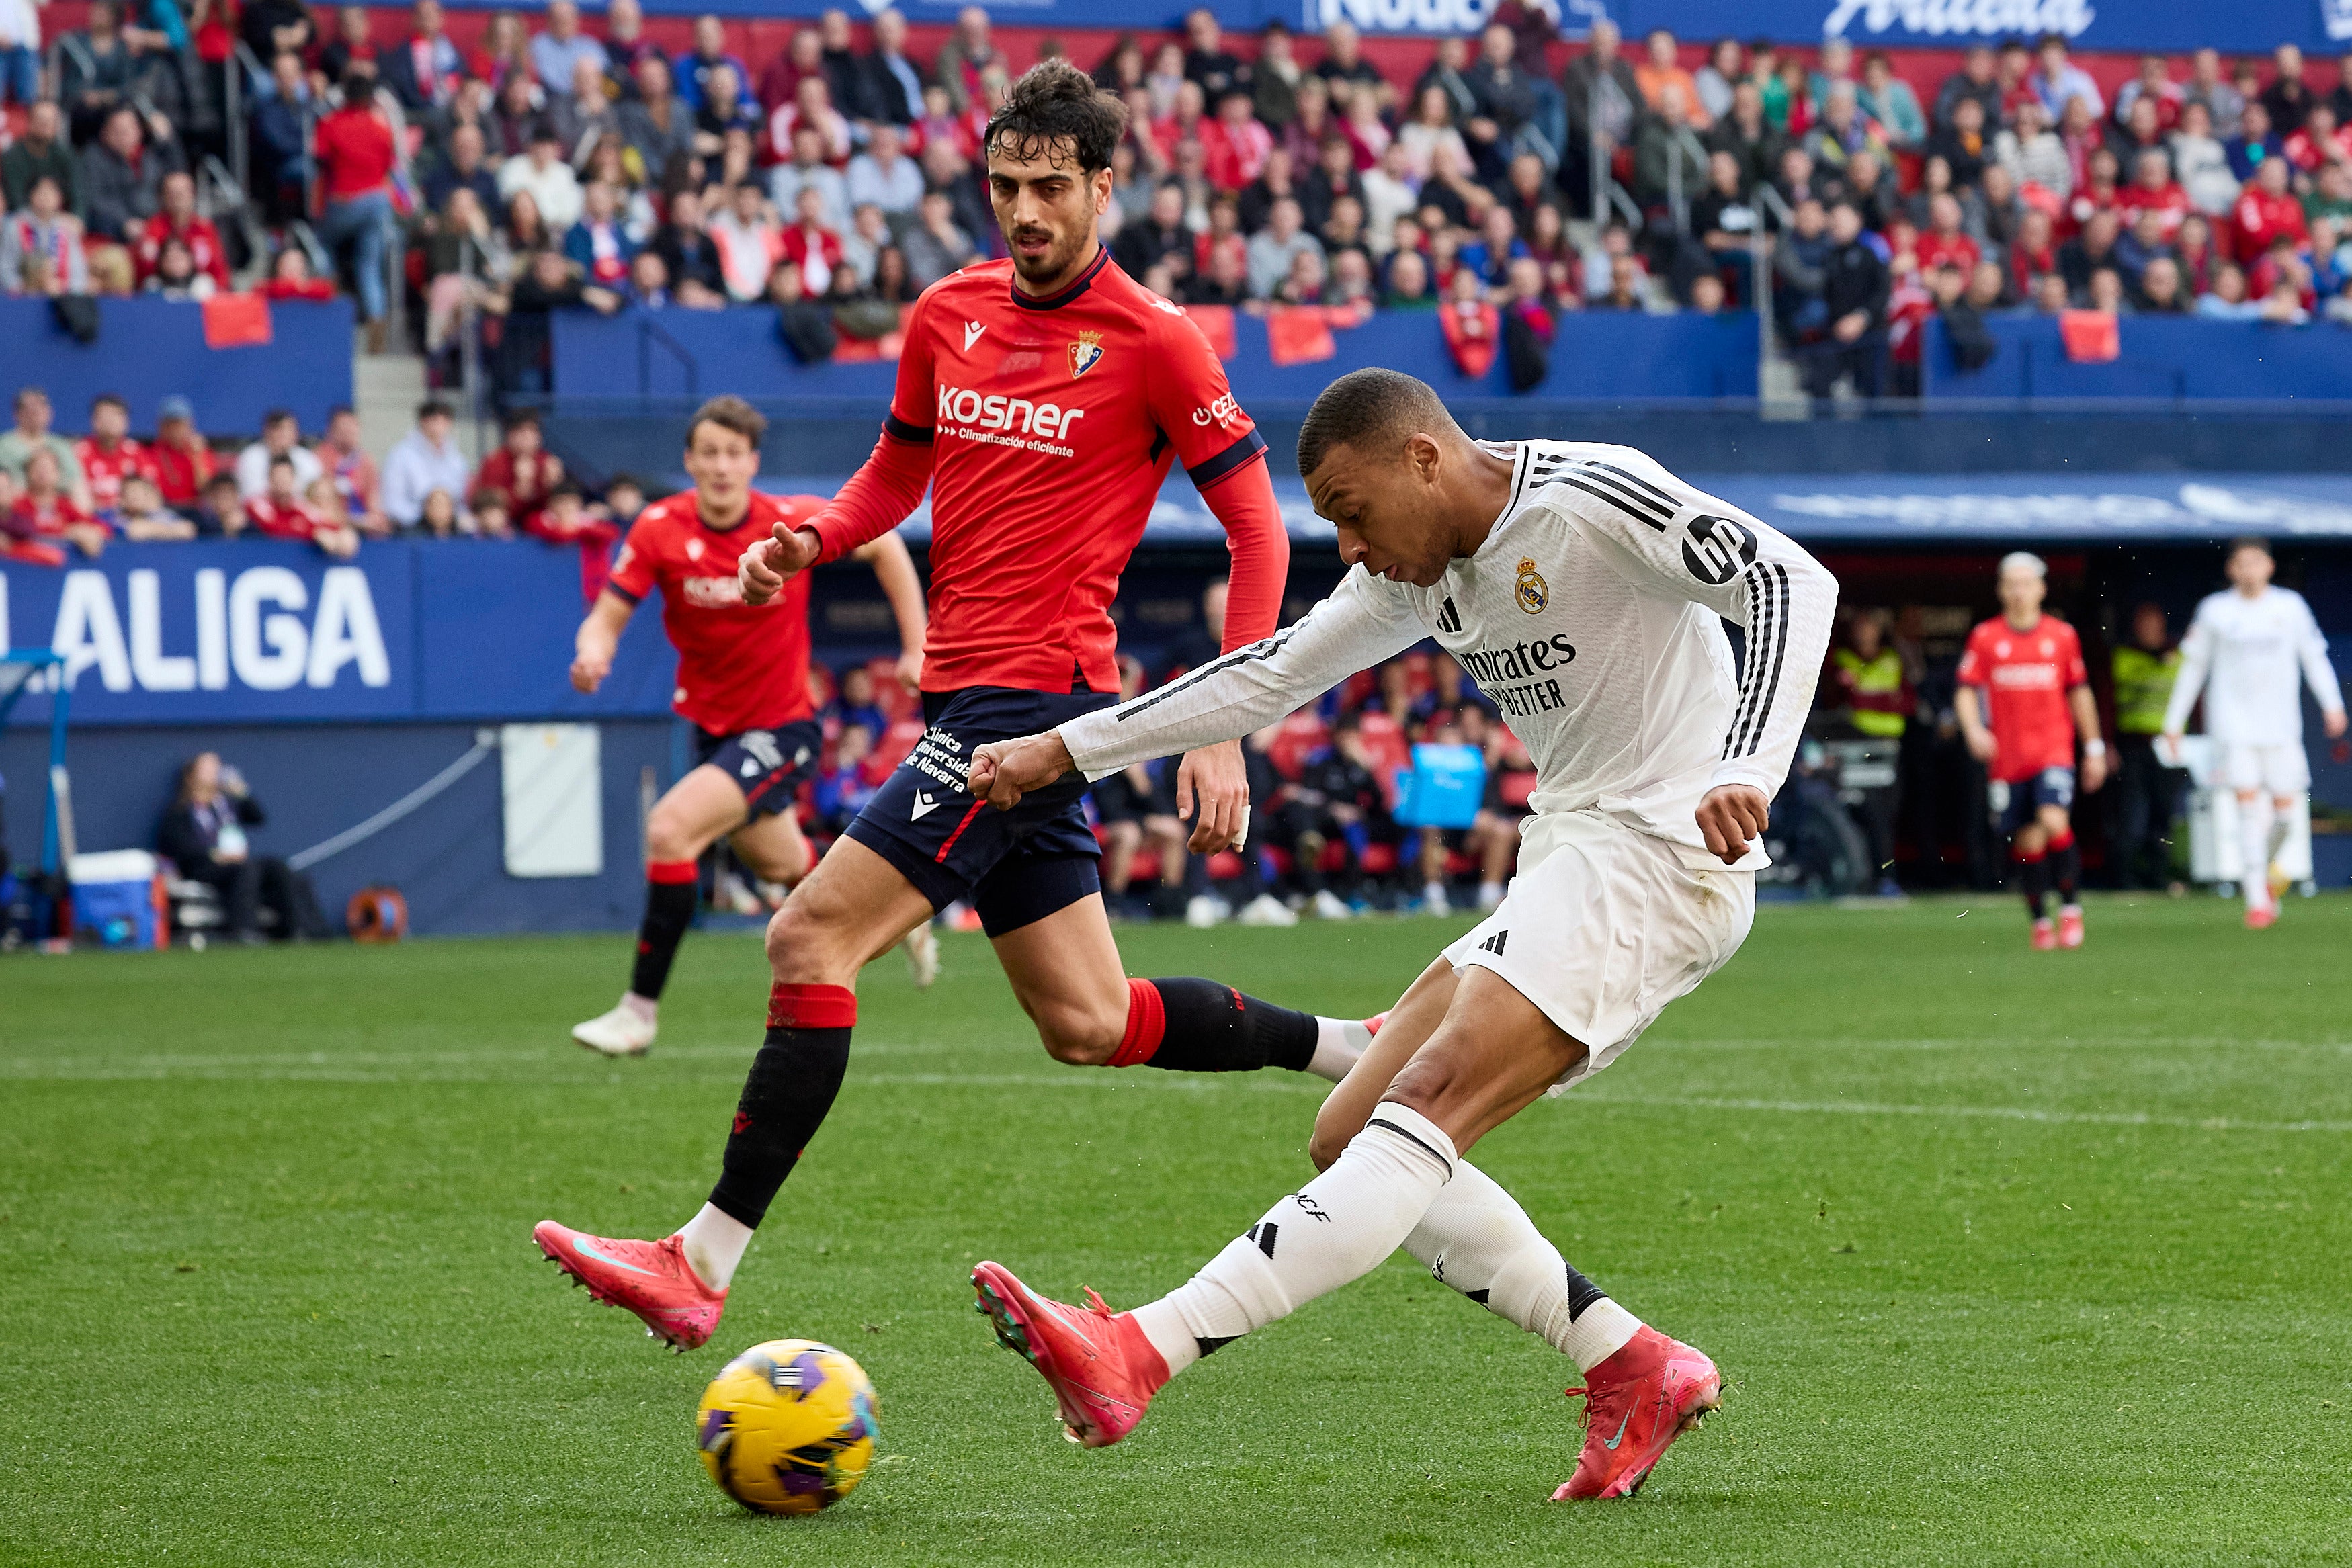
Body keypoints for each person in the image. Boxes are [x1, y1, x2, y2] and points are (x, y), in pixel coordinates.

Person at [534, 62, 1378, 1352]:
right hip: (983, 694)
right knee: (1087, 1022)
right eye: (1004, 186)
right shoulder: (946, 311)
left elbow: (1257, 523)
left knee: (807, 938)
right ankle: (1352, 1047)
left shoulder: (1155, 338)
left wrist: (1222, 715)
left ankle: (699, 1260)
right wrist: (809, 535)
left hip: (1031, 706)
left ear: (1105, 184)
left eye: (1051, 188)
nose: (1024, 211)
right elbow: (894, 473)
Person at [958, 367, 1835, 1498]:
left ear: (1423, 457)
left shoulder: (1589, 495)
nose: (1350, 544)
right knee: (1350, 1127)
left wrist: (1746, 762)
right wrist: (1067, 749)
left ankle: (1142, 1347)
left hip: (1662, 855)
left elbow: (1787, 580)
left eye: (1348, 508)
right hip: (1571, 849)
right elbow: (1266, 674)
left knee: (1422, 1108)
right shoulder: (1419, 575)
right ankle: (1630, 1360)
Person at [565, 396, 929, 1056]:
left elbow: (883, 546)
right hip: (715, 730)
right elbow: (607, 615)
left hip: (783, 728)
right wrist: (593, 651)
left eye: (734, 454)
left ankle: (637, 1012)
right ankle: (895, 915)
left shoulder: (786, 521)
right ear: (689, 460)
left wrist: (915, 644)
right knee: (786, 865)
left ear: (751, 462)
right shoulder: (657, 528)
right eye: (709, 453)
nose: (721, 466)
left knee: (670, 830)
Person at [2161, 539, 2347, 929]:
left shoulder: (2290, 607)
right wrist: (2174, 722)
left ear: (2269, 566)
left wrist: (2332, 704)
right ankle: (2257, 898)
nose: (2248, 570)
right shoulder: (2215, 610)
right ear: (2231, 569)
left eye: (2255, 562)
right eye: (2241, 563)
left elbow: (2313, 656)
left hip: (2281, 727)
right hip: (2233, 726)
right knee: (2247, 805)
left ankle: (2260, 871)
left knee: (2285, 812)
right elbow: (2194, 667)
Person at [1954, 553, 2105, 951]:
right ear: (2002, 590)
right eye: (2012, 584)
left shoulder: (2061, 636)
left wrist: (2093, 747)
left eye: (2027, 584)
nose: (2019, 592)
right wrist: (1973, 729)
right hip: (2009, 759)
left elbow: (2079, 692)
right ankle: (2041, 920)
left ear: (2041, 589)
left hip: (2053, 751)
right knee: (2027, 842)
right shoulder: (1986, 638)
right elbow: (1967, 689)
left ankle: (2071, 908)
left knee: (2054, 820)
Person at [157, 753, 328, 943]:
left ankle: (297, 929)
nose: (216, 773)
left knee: (276, 866)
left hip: (236, 863)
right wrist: (214, 855)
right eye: (208, 769)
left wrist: (242, 792)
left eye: (217, 768)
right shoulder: (180, 811)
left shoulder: (225, 806)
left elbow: (258, 817)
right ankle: (244, 930)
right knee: (247, 870)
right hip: (203, 867)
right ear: (191, 776)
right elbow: (176, 845)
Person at [2108, 602, 2185, 891]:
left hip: (2170, 747)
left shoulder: (2180, 656)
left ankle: (2158, 877)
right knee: (2131, 815)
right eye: (2143, 624)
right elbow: (2110, 702)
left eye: (2154, 624)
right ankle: (2123, 880)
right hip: (2132, 745)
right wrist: (2106, 743)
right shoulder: (2124, 656)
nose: (2149, 630)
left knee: (2163, 814)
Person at [235, 410, 323, 500]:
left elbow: (315, 492)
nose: (283, 434)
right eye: (278, 429)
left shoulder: (306, 458)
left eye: (289, 429)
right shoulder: (250, 457)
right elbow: (251, 495)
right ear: (267, 431)